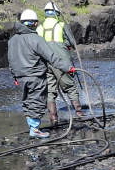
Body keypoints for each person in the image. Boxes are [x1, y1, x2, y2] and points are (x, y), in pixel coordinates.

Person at [8, 8, 71, 139]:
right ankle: (35, 130)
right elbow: (52, 57)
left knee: (27, 101)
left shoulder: (12, 40)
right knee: (37, 102)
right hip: (36, 76)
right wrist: (67, 68)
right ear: (35, 23)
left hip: (21, 77)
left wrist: (15, 76)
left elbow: (11, 59)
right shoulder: (36, 39)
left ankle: (32, 127)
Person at [40, 1, 87, 120]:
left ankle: (53, 116)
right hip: (61, 60)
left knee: (50, 90)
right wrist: (65, 45)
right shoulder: (61, 25)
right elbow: (71, 42)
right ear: (57, 13)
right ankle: (79, 112)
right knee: (69, 85)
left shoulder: (40, 27)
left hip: (45, 62)